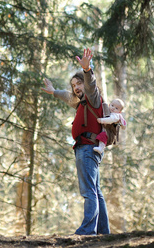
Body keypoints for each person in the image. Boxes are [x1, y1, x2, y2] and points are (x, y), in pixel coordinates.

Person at [41, 48, 110, 235]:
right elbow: (67, 96)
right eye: (73, 85)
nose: (76, 88)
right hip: (86, 148)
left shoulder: (93, 98)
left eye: (79, 83)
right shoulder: (81, 102)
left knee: (89, 192)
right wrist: (54, 91)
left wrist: (87, 71)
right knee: (96, 191)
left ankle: (87, 231)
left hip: (88, 149)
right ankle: (103, 232)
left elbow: (91, 86)